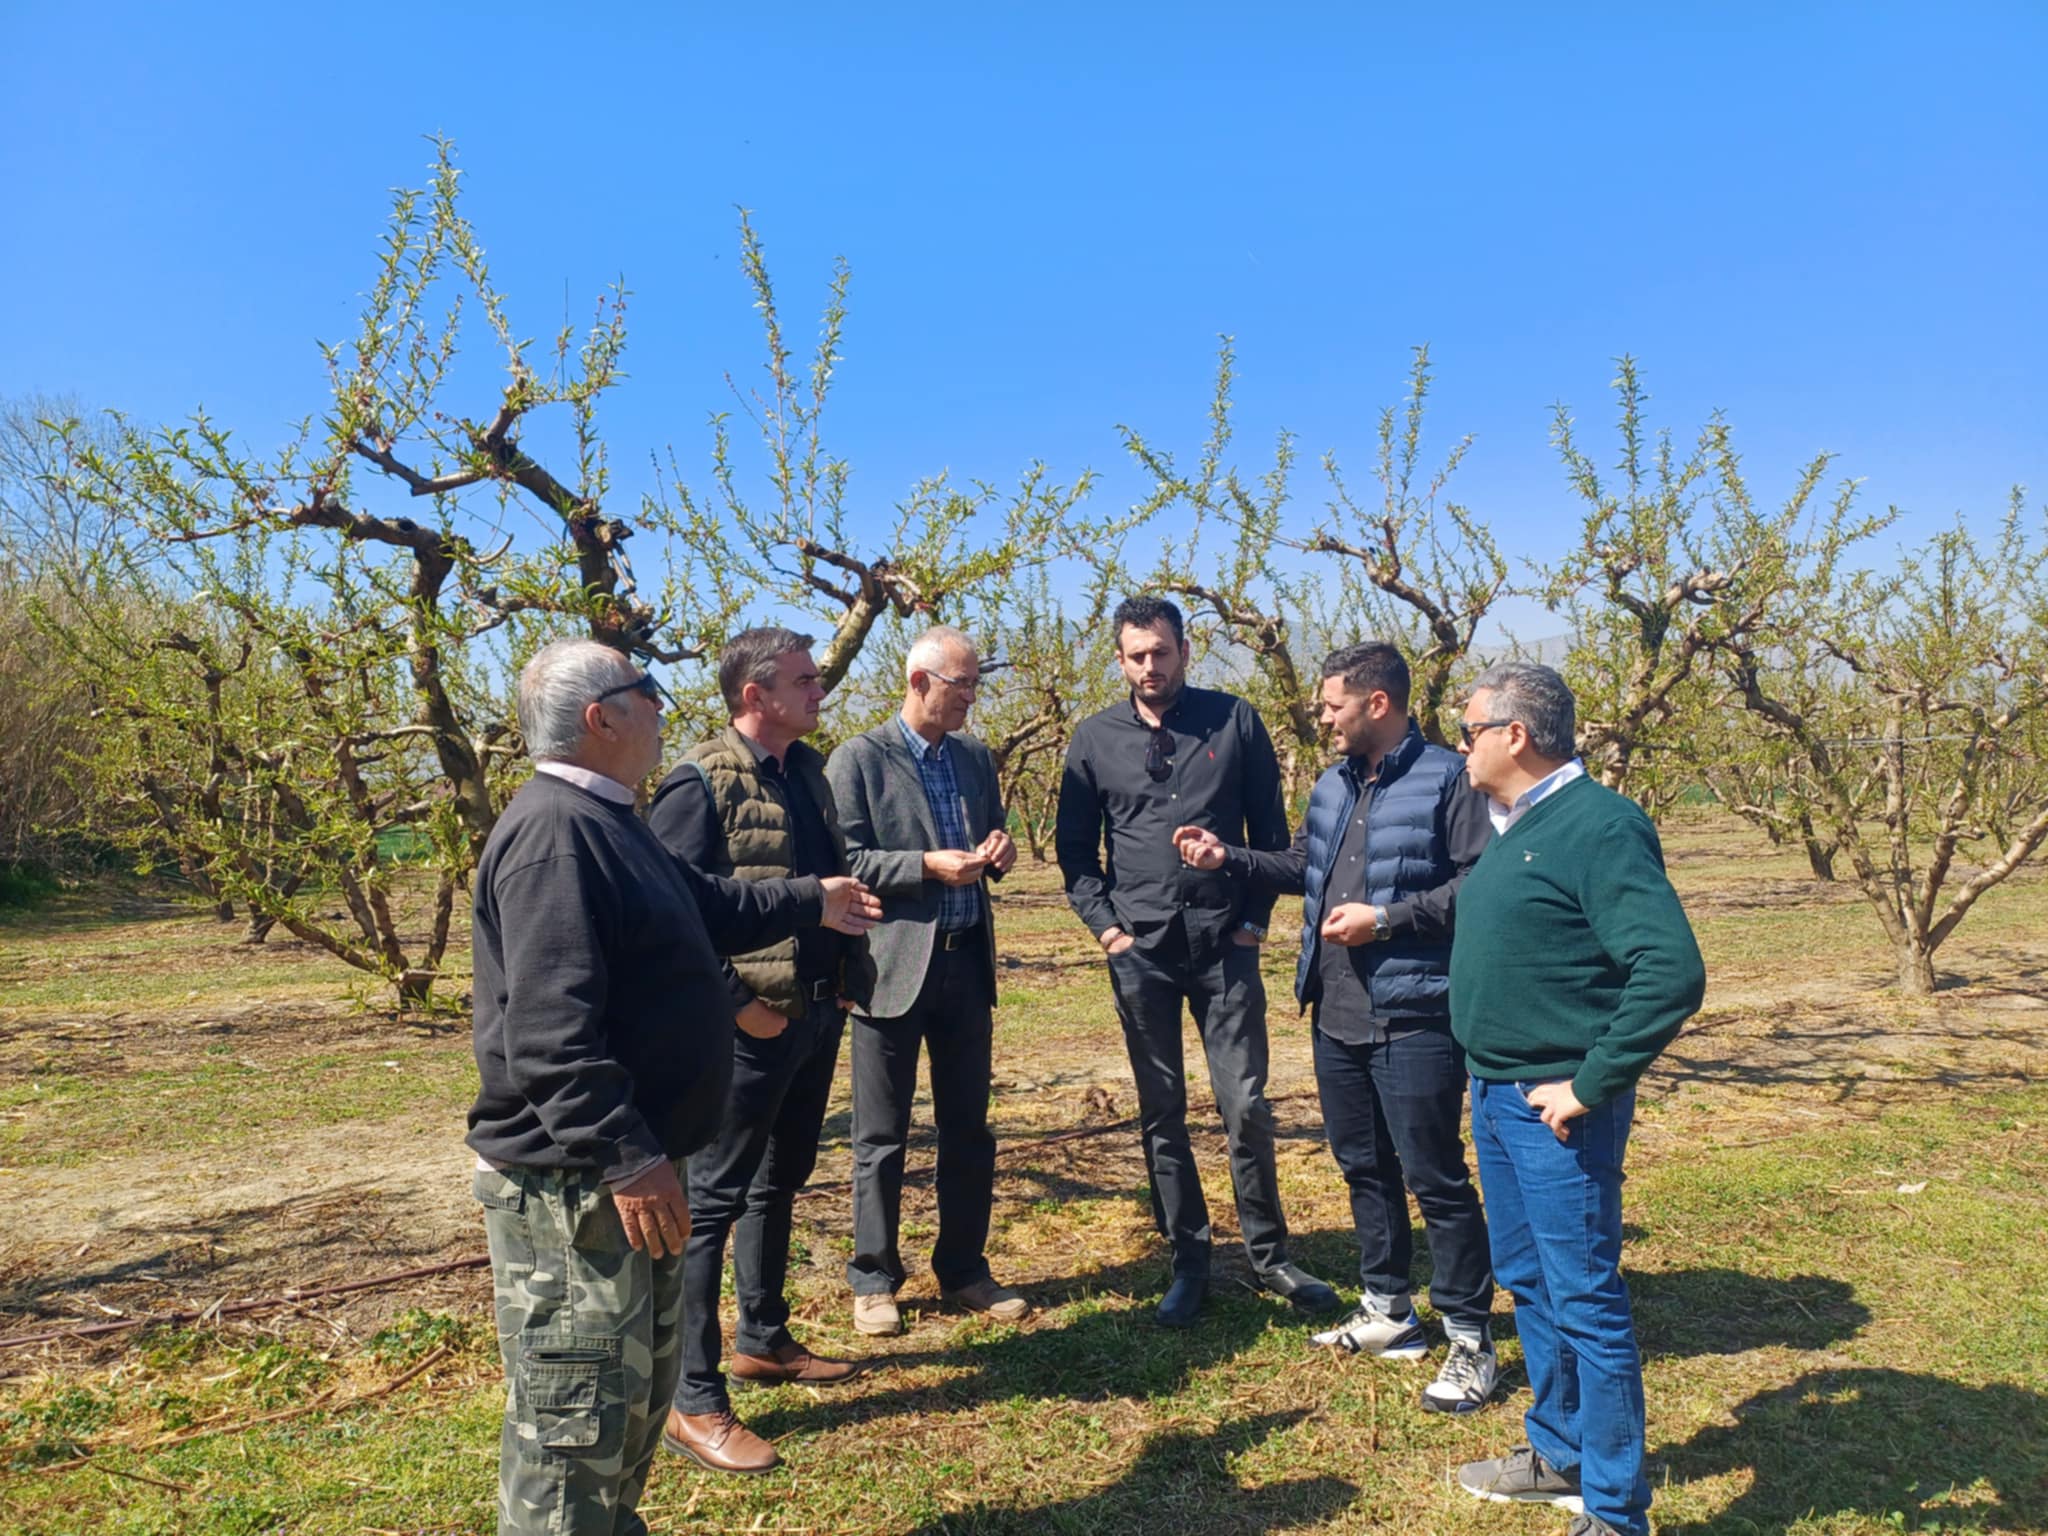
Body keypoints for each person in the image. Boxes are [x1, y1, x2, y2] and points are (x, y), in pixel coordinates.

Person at [468, 638, 880, 1533]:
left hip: (638, 1171)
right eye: (644, 689)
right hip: (580, 1187)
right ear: (600, 718)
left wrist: (813, 896)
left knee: (629, 1405)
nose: (663, 703)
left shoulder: (611, 819)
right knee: (572, 1425)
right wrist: (627, 1157)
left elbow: (708, 900)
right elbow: (547, 1039)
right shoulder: (554, 838)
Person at [1173, 641, 1498, 1412]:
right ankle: (1390, 1308)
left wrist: (1384, 920)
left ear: (1376, 703)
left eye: (1331, 705)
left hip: (1415, 1010)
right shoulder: (1332, 785)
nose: (1321, 717)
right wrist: (1230, 858)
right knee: (1362, 1166)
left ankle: (1469, 1337)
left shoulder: (1448, 779)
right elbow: (1304, 868)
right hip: (1337, 1009)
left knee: (1434, 1176)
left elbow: (1478, 886)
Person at [1447, 662, 1705, 1536]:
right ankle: (1557, 1450)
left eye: (1469, 729)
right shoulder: (1519, 822)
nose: (1461, 745)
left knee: (1585, 1295)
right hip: (1496, 1096)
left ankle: (1616, 1509)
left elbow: (1669, 970)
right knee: (1529, 1281)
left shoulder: (1599, 826)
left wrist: (1590, 1084)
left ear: (1514, 735)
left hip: (1556, 1110)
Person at [1054, 596, 1340, 1328]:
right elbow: (1077, 855)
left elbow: (1278, 843)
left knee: (1245, 1105)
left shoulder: (1234, 720)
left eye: (1162, 652)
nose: (1150, 666)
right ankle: (1189, 1259)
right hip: (1141, 952)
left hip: (1223, 947)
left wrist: (1251, 923)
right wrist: (1109, 932)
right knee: (1163, 1111)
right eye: (1136, 655)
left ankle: (1270, 1254)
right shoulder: (1092, 740)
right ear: (1120, 660)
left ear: (1186, 649)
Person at [648, 628, 876, 1474]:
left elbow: (825, 883)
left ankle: (764, 1337)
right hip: (748, 1029)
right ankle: (693, 1398)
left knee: (780, 1180)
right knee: (711, 1202)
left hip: (817, 1014)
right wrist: (739, 1004)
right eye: (805, 681)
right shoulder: (700, 781)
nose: (821, 691)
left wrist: (847, 974)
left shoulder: (807, 771)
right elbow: (666, 917)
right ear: (756, 695)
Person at [824, 624, 1032, 1336]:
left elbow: (993, 831)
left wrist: (997, 849)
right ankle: (874, 1279)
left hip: (966, 962)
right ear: (920, 683)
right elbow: (844, 857)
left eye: (974, 683)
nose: (972, 697)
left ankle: (964, 1268)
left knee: (968, 1128)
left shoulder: (974, 758)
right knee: (880, 1135)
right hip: (892, 967)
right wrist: (924, 865)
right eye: (961, 685)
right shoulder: (858, 758)